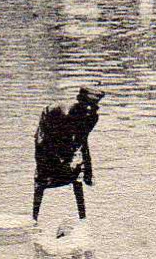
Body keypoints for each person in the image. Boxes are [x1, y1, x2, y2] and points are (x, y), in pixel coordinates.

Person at [32, 88, 103, 221]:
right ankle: (34, 219)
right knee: (42, 176)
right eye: (85, 107)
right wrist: (63, 161)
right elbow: (49, 143)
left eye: (92, 108)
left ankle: (83, 219)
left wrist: (88, 170)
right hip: (48, 131)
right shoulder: (65, 114)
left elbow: (83, 141)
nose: (88, 111)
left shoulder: (92, 117)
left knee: (77, 175)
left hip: (62, 137)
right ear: (79, 104)